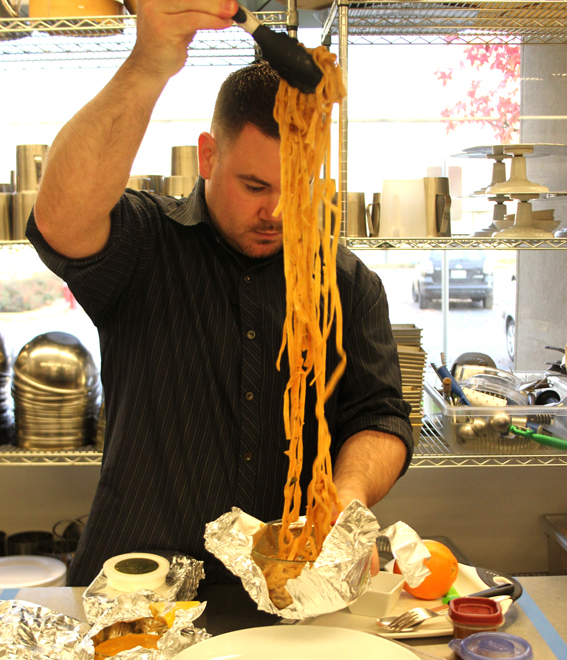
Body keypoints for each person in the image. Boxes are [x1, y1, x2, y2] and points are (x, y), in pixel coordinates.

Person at [27, 0, 413, 587]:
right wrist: (151, 60)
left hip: (290, 589)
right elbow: (62, 219)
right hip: (141, 593)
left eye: (300, 186)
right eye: (255, 185)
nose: (279, 211)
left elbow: (380, 414)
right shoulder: (146, 245)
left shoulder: (346, 283)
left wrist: (348, 492)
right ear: (209, 156)